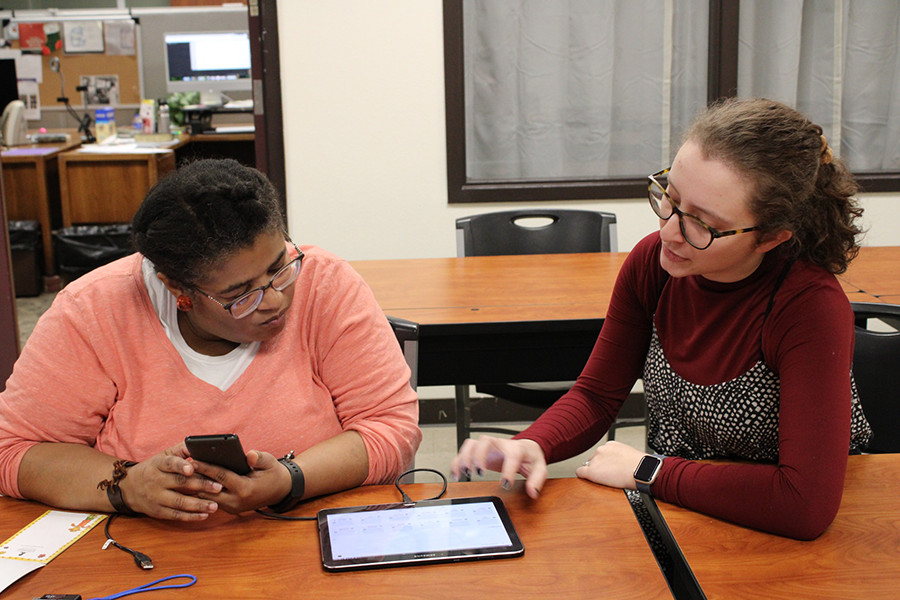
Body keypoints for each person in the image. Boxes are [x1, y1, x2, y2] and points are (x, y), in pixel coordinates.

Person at [451, 98, 872, 540]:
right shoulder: (654, 264)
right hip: (687, 509)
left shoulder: (808, 307)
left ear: (771, 237)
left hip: (781, 528)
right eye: (669, 199)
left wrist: (649, 470)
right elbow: (597, 395)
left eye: (702, 224)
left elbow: (803, 504)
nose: (669, 231)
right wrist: (532, 444)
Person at [0, 158, 421, 521]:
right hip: (145, 556)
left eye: (280, 267)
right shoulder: (92, 311)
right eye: (240, 295)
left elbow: (392, 428)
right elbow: (15, 451)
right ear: (176, 289)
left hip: (308, 542)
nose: (274, 300)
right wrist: (127, 485)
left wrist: (291, 479)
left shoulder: (326, 285)